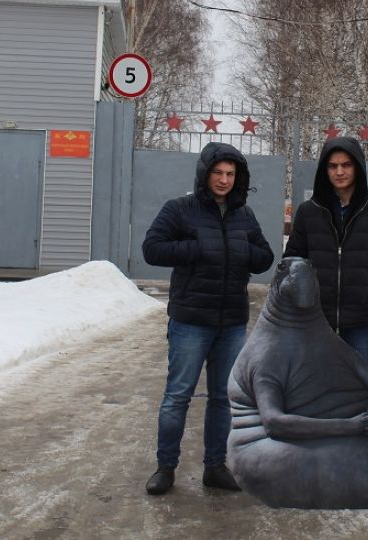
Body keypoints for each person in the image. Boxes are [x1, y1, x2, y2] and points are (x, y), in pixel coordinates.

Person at [141, 142, 274, 496]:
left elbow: (265, 257)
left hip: (231, 322)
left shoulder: (244, 215)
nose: (224, 180)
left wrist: (244, 251)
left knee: (222, 398)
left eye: (231, 174)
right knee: (178, 395)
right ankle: (165, 467)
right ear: (205, 173)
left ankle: (215, 466)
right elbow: (152, 248)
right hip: (190, 321)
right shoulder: (180, 210)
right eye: (218, 172)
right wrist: (197, 248)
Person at [283, 136, 368, 371]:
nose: (339, 172)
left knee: (363, 394)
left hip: (363, 323)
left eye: (346, 165)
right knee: (315, 391)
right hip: (316, 322)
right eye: (333, 166)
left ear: (358, 167)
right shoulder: (308, 212)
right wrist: (302, 299)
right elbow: (293, 260)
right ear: (325, 170)